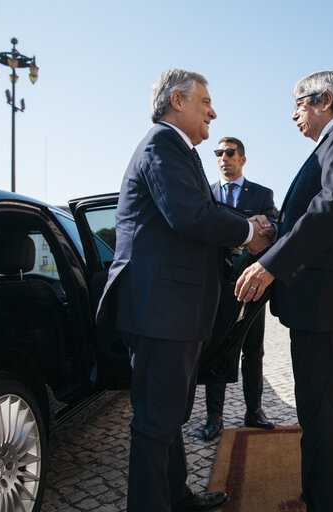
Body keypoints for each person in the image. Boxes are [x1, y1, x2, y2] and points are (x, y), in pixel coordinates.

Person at [96, 69, 271, 512]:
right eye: (205, 102)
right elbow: (189, 215)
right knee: (156, 421)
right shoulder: (161, 144)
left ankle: (175, 495)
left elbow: (197, 217)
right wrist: (248, 230)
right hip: (160, 310)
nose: (213, 111)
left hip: (174, 310)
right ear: (177, 101)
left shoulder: (180, 151)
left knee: (171, 416)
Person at [235, 71, 333, 511]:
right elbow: (317, 214)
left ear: (327, 99)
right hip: (328, 292)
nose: (294, 114)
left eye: (300, 103)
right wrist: (276, 229)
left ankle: (325, 501)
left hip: (324, 295)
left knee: (318, 405)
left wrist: (272, 262)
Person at [199, 136, 277, 441]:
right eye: (218, 153)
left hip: (250, 285)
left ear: (242, 159)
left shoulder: (261, 194)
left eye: (229, 153)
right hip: (216, 286)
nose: (223, 158)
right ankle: (213, 417)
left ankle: (254, 411)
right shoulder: (205, 193)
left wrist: (265, 228)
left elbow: (270, 229)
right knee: (215, 350)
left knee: (253, 350)